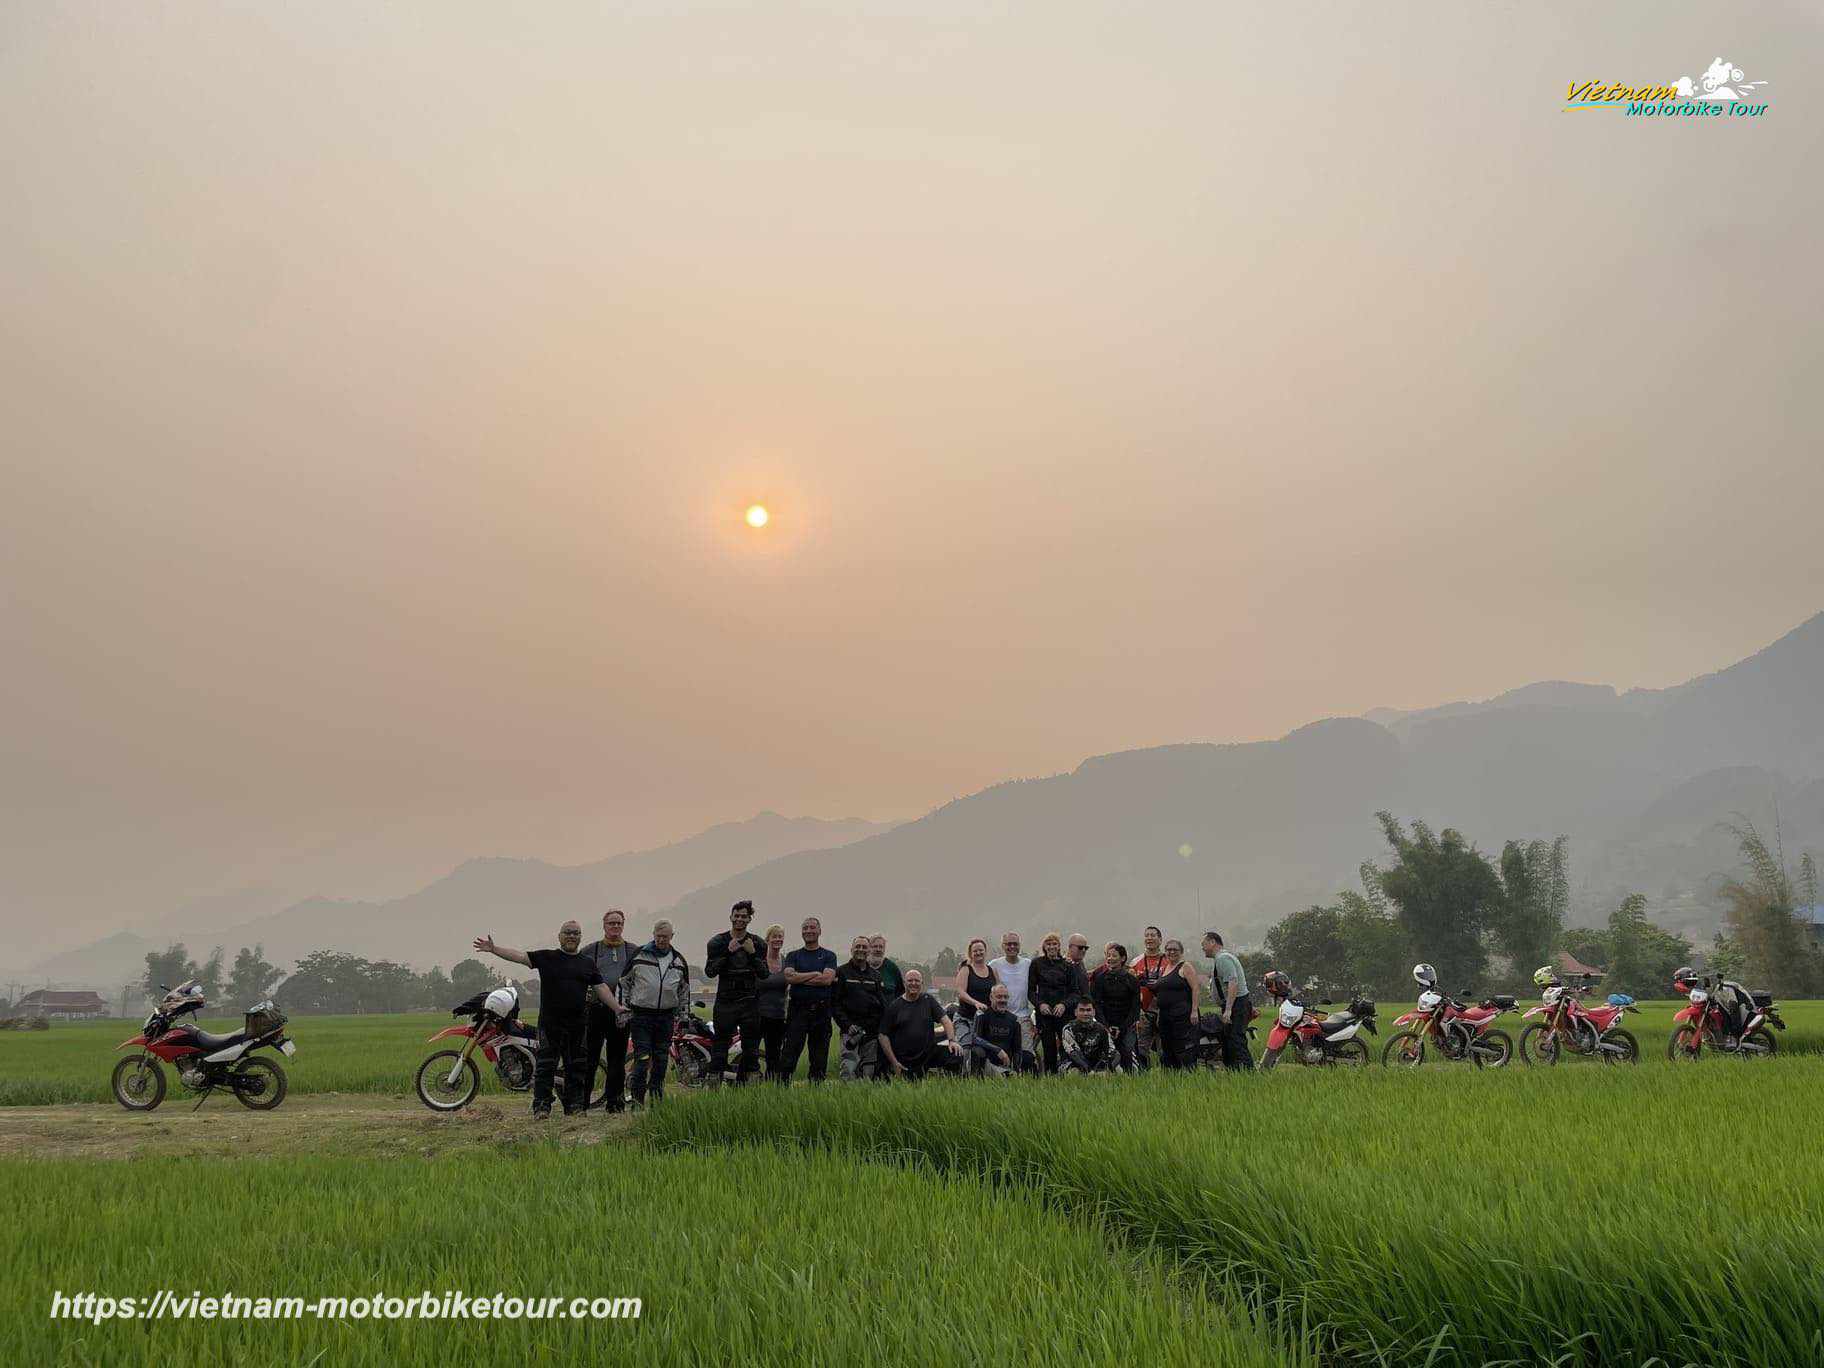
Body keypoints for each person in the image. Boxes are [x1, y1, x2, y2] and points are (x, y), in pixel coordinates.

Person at [473, 921, 616, 1117]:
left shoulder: (587, 963)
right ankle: (542, 1107)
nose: (571, 936)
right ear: (560, 936)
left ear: (580, 937)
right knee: (545, 1066)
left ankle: (575, 1108)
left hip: (578, 1025)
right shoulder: (547, 957)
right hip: (550, 1024)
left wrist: (617, 1008)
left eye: (575, 933)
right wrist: (494, 949)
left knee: (577, 1068)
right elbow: (520, 956)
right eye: (567, 933)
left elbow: (601, 988)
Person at [620, 920, 690, 1106]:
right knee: (642, 1060)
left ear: (672, 936)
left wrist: (684, 1018)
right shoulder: (639, 955)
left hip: (665, 1018)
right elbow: (624, 983)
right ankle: (637, 1101)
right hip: (641, 1017)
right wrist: (623, 1011)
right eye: (658, 936)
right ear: (653, 935)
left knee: (661, 1061)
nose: (661, 940)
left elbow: (684, 992)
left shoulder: (679, 961)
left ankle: (657, 1101)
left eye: (665, 937)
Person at [579, 908, 635, 1113]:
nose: (615, 926)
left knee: (617, 1059)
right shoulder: (590, 950)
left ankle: (615, 1103)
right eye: (611, 923)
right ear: (604, 925)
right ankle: (582, 1103)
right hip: (595, 1011)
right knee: (590, 1058)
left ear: (623, 925)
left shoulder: (633, 951)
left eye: (619, 923)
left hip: (621, 1013)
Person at [705, 900, 766, 1086]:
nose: (740, 919)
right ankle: (714, 1089)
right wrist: (727, 953)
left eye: (744, 916)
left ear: (749, 919)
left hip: (749, 1001)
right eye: (736, 916)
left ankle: (751, 1089)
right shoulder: (717, 942)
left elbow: (764, 973)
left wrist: (752, 954)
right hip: (726, 1001)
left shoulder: (758, 943)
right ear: (730, 917)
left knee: (751, 1049)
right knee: (720, 1047)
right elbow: (710, 972)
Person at [779, 916, 839, 1084]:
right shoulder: (793, 955)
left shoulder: (829, 956)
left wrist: (799, 978)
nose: (809, 931)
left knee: (819, 1056)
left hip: (821, 1011)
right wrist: (814, 974)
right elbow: (789, 977)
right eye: (805, 928)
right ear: (801, 932)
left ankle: (816, 1088)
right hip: (797, 1010)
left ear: (819, 931)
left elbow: (826, 980)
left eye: (812, 927)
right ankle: (781, 1088)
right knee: (789, 1052)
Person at [877, 969, 961, 1080]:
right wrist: (894, 1062)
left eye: (917, 981)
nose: (913, 983)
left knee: (956, 1053)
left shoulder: (928, 1000)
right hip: (906, 1059)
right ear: (904, 983)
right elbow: (882, 1035)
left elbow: (946, 1021)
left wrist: (952, 1041)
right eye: (910, 980)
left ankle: (949, 1083)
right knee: (911, 1083)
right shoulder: (895, 1006)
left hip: (929, 1053)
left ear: (922, 983)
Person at [1027, 931, 1087, 1074]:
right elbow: (1030, 991)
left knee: (1066, 1047)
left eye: (1054, 944)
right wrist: (1040, 1004)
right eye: (1048, 944)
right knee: (1048, 1048)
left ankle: (1067, 1074)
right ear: (1044, 947)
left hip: (1064, 1013)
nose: (1052, 947)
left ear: (1059, 946)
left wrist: (1064, 1005)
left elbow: (1075, 993)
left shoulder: (1068, 965)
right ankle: (1050, 1076)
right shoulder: (1036, 964)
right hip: (1045, 1014)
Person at [834, 935, 887, 1080]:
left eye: (864, 947)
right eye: (858, 946)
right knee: (848, 1070)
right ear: (851, 949)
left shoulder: (876, 975)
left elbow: (882, 1005)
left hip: (871, 1034)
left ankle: (864, 1095)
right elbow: (835, 1004)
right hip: (850, 1032)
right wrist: (847, 1025)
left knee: (868, 1073)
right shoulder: (841, 972)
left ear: (869, 950)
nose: (861, 949)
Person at [1201, 930, 1255, 1070]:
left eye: (1203, 944)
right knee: (1230, 1039)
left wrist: (1229, 1009)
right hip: (1237, 1003)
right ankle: (1234, 1071)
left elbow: (1233, 981)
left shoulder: (1222, 958)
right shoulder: (1222, 958)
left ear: (1212, 942)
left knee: (1236, 1040)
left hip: (1237, 1004)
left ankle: (1248, 1071)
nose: (1202, 948)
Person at [1091, 942, 1142, 1072]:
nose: (1110, 958)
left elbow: (1135, 1007)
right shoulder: (1100, 979)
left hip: (1126, 1025)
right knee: (1106, 1055)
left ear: (1123, 958)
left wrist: (1122, 1028)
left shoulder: (1132, 980)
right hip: (1105, 1023)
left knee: (1127, 1053)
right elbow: (1096, 1004)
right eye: (1108, 955)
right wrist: (1105, 1025)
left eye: (1114, 956)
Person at [1152, 938, 1200, 1070]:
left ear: (1181, 952)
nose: (1171, 952)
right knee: (1167, 1047)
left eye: (1175, 949)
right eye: (1169, 949)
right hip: (1165, 1016)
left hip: (1182, 1014)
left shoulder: (1185, 966)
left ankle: (1189, 1073)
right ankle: (1172, 1074)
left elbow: (1196, 988)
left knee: (1183, 1047)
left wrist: (1194, 1010)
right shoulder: (1165, 968)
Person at [989, 932, 1034, 1064]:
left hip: (1023, 1017)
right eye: (1008, 944)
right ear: (1003, 946)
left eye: (1015, 944)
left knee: (1026, 1056)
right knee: (1003, 1056)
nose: (1012, 947)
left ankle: (1026, 1075)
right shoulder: (994, 965)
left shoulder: (1028, 964)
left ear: (1019, 945)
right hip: (1001, 1018)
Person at [1132, 926, 1169, 1069]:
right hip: (1143, 1012)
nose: (1149, 938)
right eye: (1147, 935)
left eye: (1153, 935)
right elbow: (1131, 990)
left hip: (1164, 1011)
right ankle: (1142, 1075)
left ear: (1160, 939)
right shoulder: (1135, 962)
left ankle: (1166, 1075)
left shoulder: (1169, 960)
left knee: (1164, 1048)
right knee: (1141, 1047)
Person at [756, 923, 790, 1080]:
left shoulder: (786, 962)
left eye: (780, 937)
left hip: (778, 1016)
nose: (777, 939)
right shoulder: (759, 961)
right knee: (751, 1052)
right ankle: (746, 1085)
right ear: (767, 940)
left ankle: (771, 1085)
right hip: (758, 1015)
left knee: (774, 1056)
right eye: (774, 936)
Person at [970, 983, 1023, 1076]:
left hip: (1005, 1065)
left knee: (1028, 1057)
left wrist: (1016, 1069)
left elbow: (1017, 1049)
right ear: (991, 997)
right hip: (986, 1062)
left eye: (1005, 997)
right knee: (977, 1051)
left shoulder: (1014, 1020)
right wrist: (997, 1050)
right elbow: (975, 1038)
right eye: (999, 997)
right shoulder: (982, 1014)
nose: (1003, 1000)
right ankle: (977, 1079)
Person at [952, 938, 997, 1047]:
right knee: (966, 1046)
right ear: (970, 954)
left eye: (981, 950)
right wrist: (975, 1003)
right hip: (965, 1019)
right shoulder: (966, 969)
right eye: (975, 951)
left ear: (985, 951)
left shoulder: (992, 971)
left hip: (985, 1019)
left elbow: (998, 991)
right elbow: (961, 992)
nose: (978, 953)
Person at [1060, 997, 1116, 1073]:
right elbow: (1073, 1053)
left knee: (1117, 1070)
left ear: (1094, 1012)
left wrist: (1105, 1066)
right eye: (1082, 1010)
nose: (1085, 1013)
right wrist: (1089, 1071)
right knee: (1074, 1073)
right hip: (1074, 1062)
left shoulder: (1102, 1029)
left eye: (1088, 1010)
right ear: (1075, 1012)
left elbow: (1112, 1051)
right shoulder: (1068, 1029)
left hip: (1096, 1063)